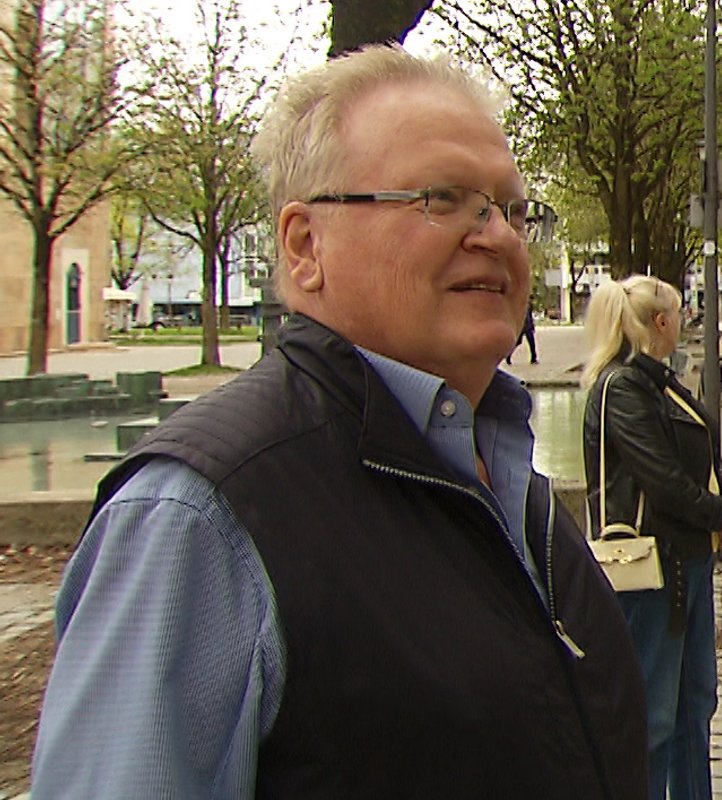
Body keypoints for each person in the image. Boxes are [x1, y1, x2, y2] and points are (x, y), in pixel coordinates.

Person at [33, 48, 647, 798]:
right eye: (442, 197)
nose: (497, 235)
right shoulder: (198, 521)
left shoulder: (505, 471)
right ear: (304, 245)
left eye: (511, 208)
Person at [582, 275, 722, 800]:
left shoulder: (659, 381)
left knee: (695, 705)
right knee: (655, 716)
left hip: (688, 563)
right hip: (650, 572)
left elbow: (701, 447)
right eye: (680, 311)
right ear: (661, 322)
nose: (685, 319)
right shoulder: (621, 388)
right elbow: (663, 481)